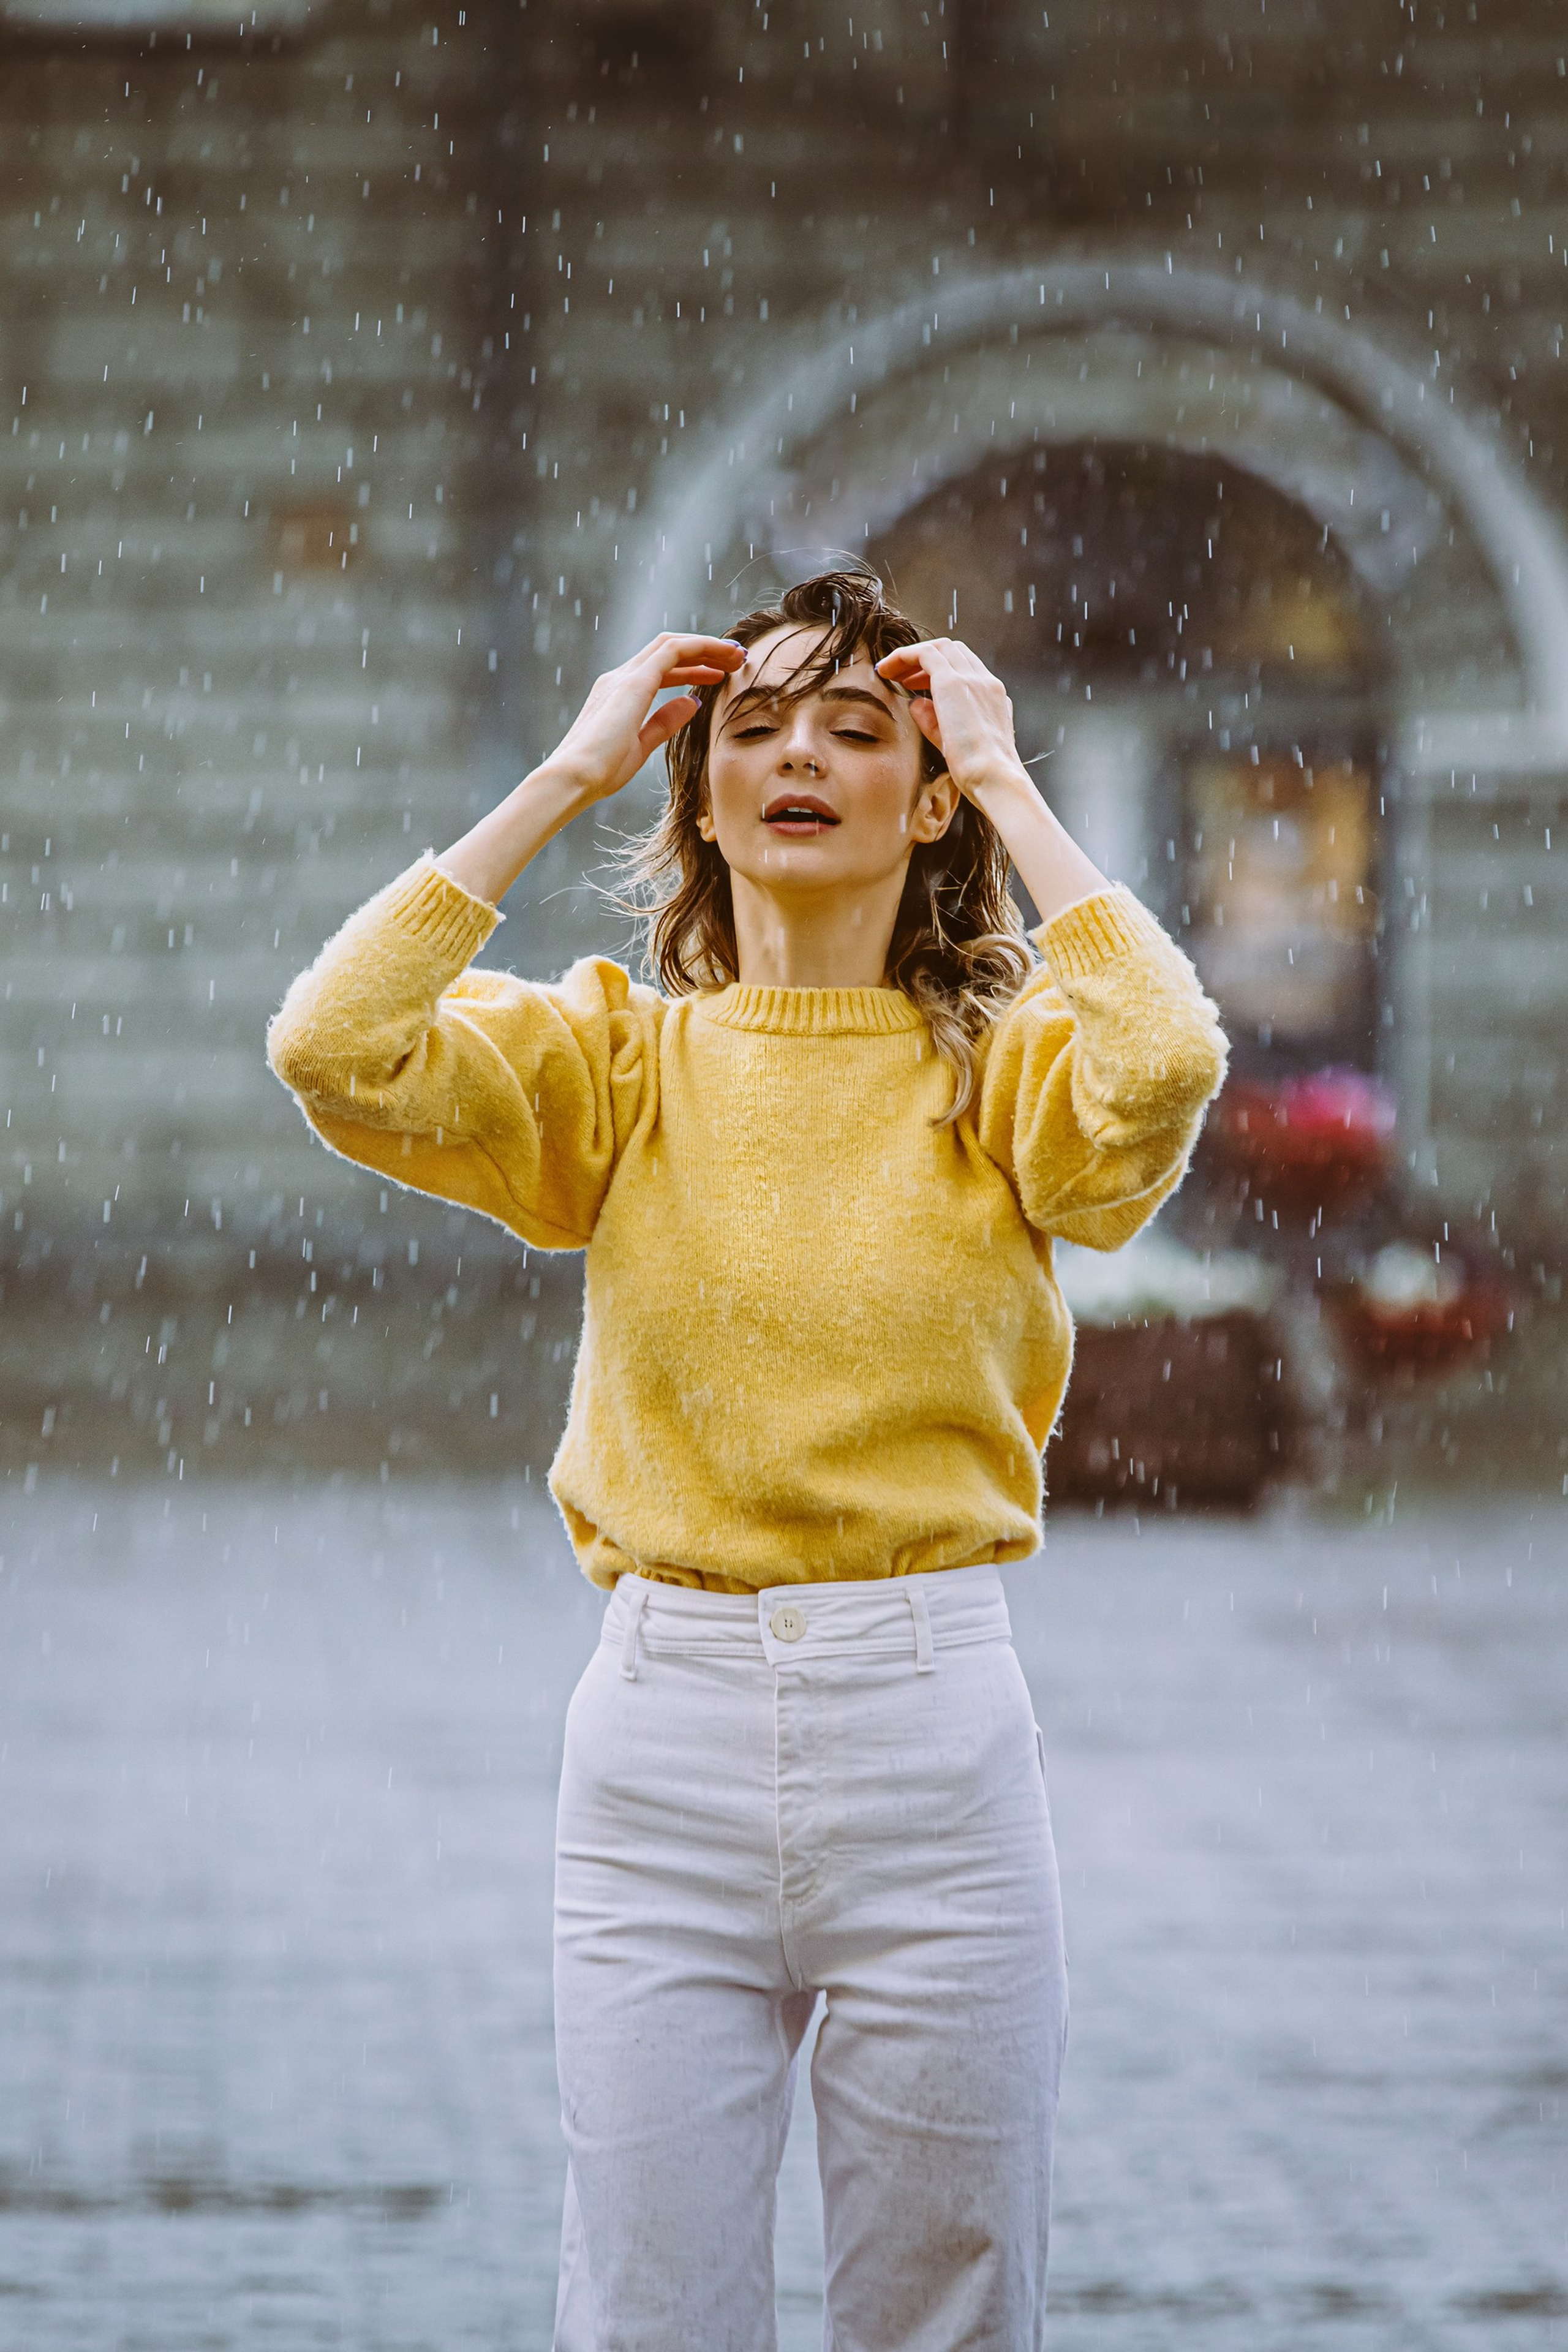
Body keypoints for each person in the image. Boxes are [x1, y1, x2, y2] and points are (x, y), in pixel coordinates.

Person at [268, 570, 1227, 2351]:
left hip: (937, 1740)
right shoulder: (619, 1060)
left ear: (924, 801)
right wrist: (567, 768)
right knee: (651, 2313)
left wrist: (1015, 781)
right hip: (659, 1749)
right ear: (701, 790)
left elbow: (1164, 1056)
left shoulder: (1002, 1078)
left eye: (861, 732)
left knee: (953, 2308)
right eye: (756, 728)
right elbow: (335, 1046)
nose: (802, 755)